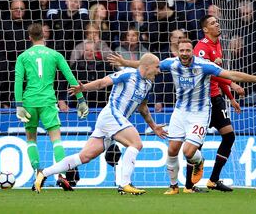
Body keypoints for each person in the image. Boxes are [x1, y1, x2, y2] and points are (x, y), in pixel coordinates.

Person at [108, 39, 256, 195]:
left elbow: (230, 74)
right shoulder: (172, 63)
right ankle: (174, 186)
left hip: (199, 113)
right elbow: (146, 64)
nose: (184, 53)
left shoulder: (204, 65)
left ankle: (199, 161)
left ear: (192, 52)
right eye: (181, 50)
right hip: (180, 112)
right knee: (172, 150)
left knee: (188, 151)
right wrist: (124, 62)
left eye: (187, 50)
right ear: (178, 51)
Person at [34, 53, 167, 194]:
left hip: (113, 121)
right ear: (147, 66)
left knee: (84, 157)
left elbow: (143, 108)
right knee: (136, 144)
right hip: (112, 115)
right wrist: (83, 88)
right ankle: (125, 184)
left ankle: (43, 173)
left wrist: (153, 126)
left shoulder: (148, 84)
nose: (159, 71)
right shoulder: (128, 74)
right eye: (157, 67)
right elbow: (103, 82)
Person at [15, 23, 89, 190]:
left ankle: (37, 175)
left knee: (31, 139)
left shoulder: (23, 57)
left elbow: (18, 82)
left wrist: (19, 105)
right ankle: (62, 175)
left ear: (29, 38)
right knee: (56, 140)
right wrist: (81, 100)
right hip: (48, 101)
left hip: (29, 102)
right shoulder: (55, 55)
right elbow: (70, 77)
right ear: (44, 36)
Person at [191, 15, 245, 193]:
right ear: (205, 29)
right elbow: (208, 73)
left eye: (217, 22)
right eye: (213, 23)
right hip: (201, 101)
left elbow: (218, 74)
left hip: (216, 99)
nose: (217, 24)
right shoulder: (201, 48)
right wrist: (232, 83)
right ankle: (189, 186)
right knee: (195, 144)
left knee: (229, 136)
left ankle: (213, 180)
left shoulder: (217, 44)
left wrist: (230, 98)